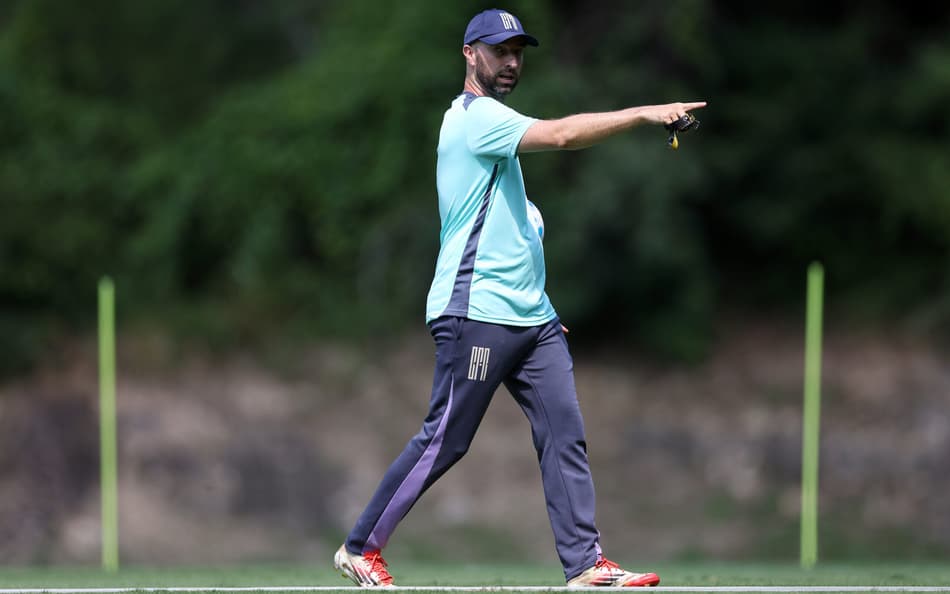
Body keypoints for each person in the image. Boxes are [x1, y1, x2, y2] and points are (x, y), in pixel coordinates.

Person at [334, 8, 705, 588]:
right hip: (475, 315)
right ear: (469, 54)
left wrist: (544, 313)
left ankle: (585, 564)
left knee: (565, 434)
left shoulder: (499, 151)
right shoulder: (472, 119)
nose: (510, 62)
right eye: (498, 51)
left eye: (517, 53)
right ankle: (362, 546)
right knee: (448, 437)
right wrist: (642, 113)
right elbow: (559, 135)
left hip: (534, 321)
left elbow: (514, 238)